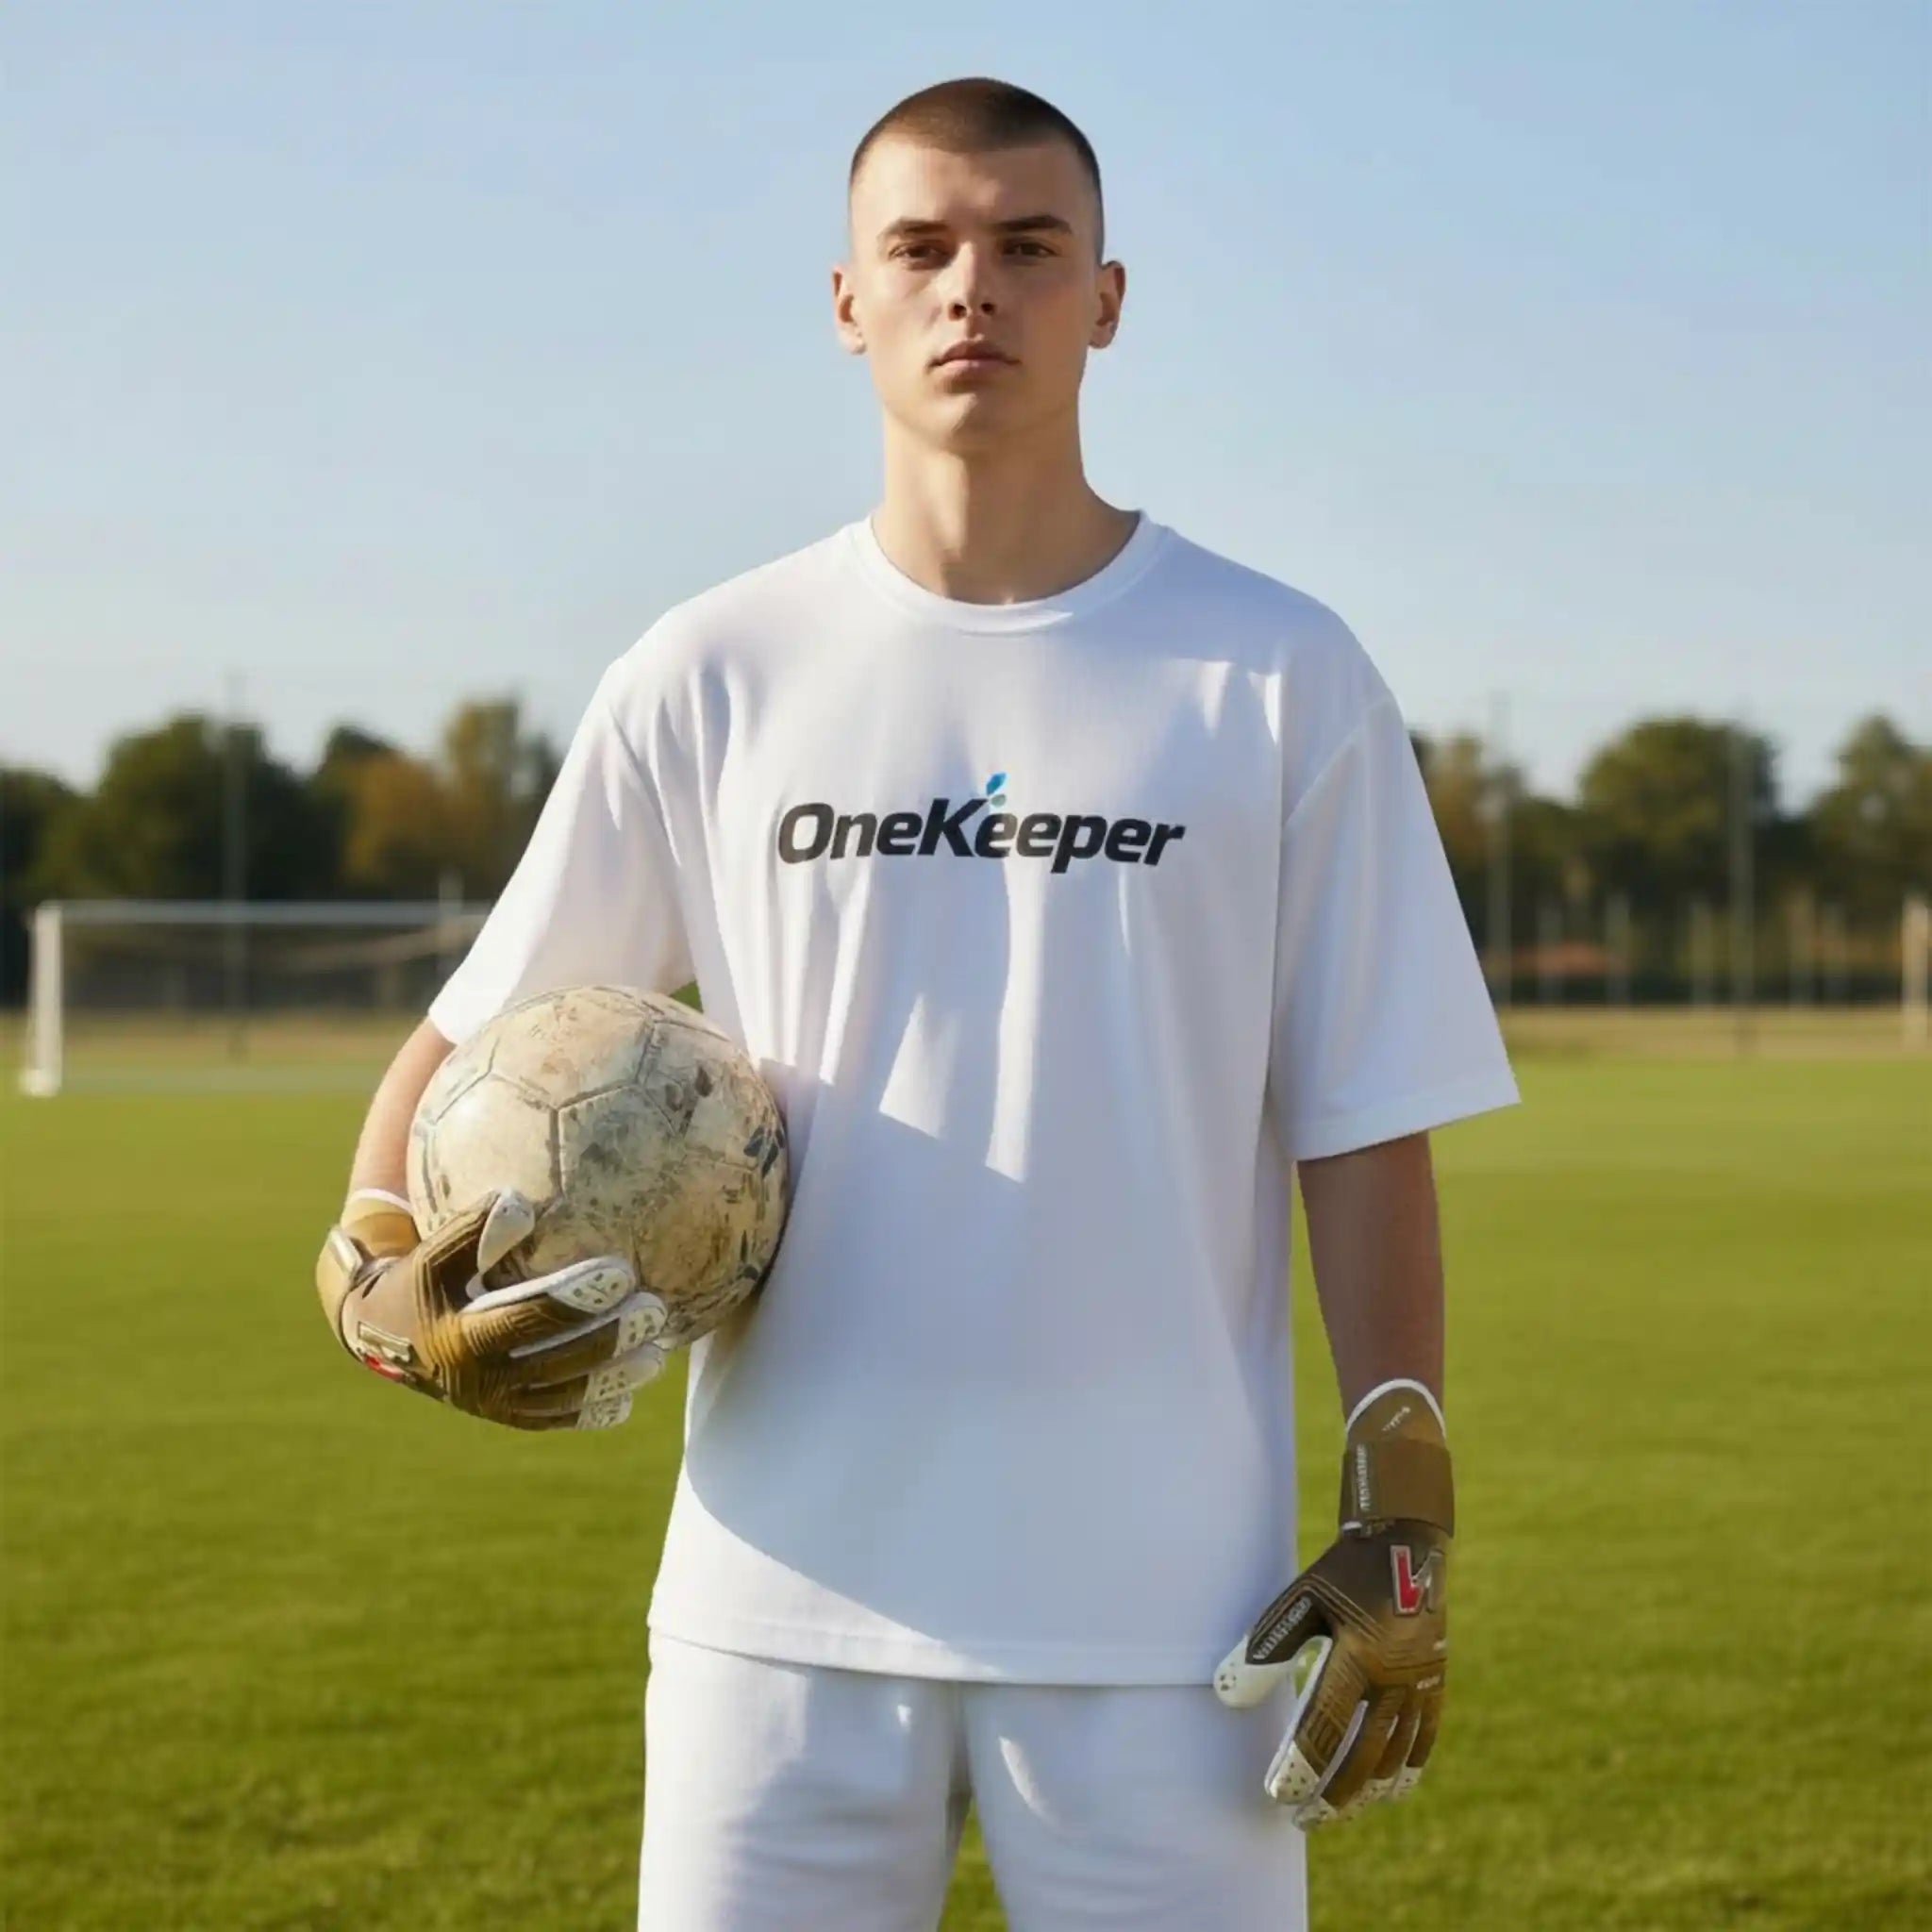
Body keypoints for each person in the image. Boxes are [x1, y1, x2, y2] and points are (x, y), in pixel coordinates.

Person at [313, 75, 1519, 1932]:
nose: (977, 287)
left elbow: (1362, 1122)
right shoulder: (709, 669)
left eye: (1029, 247)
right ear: (847, 299)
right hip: (769, 1617)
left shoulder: (1276, 674)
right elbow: (463, 1054)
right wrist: (383, 1299)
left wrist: (1407, 1522)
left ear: (1105, 297)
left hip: (1166, 1633)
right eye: (924, 247)